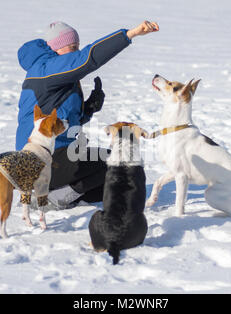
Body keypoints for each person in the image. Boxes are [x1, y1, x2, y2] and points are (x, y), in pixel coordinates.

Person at [16, 20, 159, 210]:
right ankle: (54, 197)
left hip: (56, 157)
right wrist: (129, 34)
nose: (76, 51)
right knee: (119, 160)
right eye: (72, 47)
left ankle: (56, 193)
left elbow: (64, 121)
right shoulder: (46, 69)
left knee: (115, 183)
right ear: (56, 48)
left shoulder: (54, 73)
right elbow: (87, 59)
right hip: (41, 160)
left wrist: (89, 107)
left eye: (78, 46)